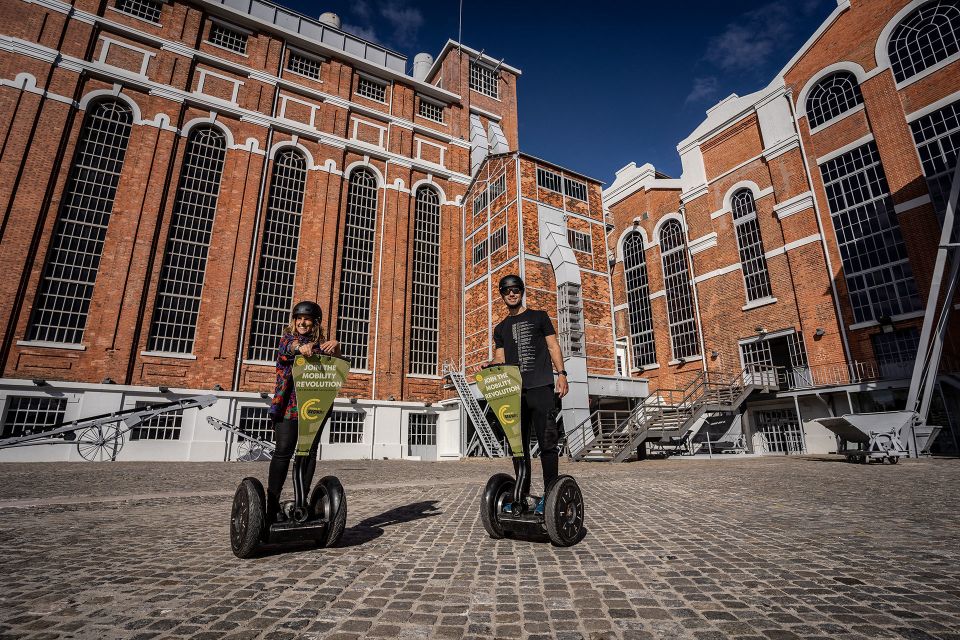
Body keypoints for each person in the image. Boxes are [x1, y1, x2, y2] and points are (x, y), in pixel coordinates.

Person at [491, 274, 569, 515]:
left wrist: (562, 374)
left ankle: (550, 495)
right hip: (514, 393)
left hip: (541, 388)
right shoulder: (501, 328)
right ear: (502, 295)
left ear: (522, 291)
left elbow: (553, 346)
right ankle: (522, 496)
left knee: (547, 444)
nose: (511, 294)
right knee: (518, 448)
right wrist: (490, 365)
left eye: (515, 289)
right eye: (507, 291)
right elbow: (500, 358)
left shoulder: (539, 317)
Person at [266, 300, 341, 521]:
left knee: (308, 452)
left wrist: (336, 349)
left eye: (307, 319)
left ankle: (302, 502)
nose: (302, 322)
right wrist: (299, 347)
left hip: (315, 406)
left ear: (315, 323)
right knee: (284, 450)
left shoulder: (322, 345)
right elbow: (287, 349)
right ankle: (272, 503)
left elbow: (336, 369)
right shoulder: (287, 340)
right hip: (289, 405)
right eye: (299, 318)